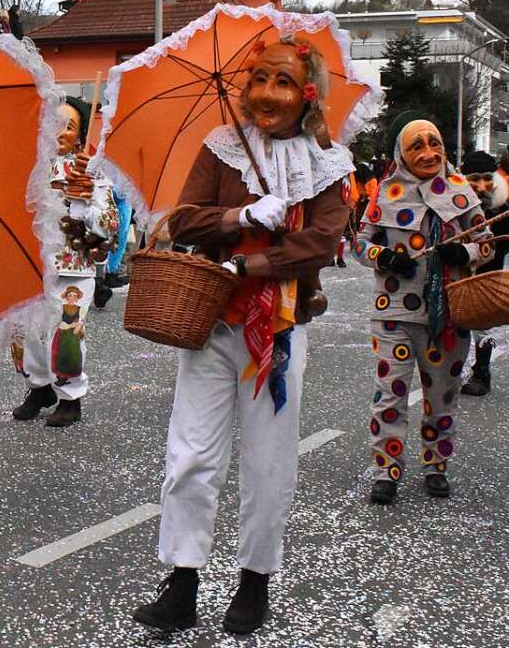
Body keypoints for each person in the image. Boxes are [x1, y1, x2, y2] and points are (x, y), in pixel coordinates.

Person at [132, 38, 351, 636]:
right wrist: (241, 219)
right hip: (209, 322)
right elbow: (185, 217)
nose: (265, 94)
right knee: (191, 456)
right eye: (257, 79)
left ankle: (255, 579)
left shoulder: (329, 164)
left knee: (267, 461)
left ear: (307, 95)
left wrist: (251, 265)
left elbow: (322, 243)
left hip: (278, 331)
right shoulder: (221, 148)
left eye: (281, 82)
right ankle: (182, 580)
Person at [352, 113, 492, 505]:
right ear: (402, 153)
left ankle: (436, 466)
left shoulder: (462, 191)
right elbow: (359, 245)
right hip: (394, 313)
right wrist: (385, 258)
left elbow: (487, 244)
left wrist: (461, 251)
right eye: (418, 146)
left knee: (442, 396)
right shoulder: (385, 193)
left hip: (449, 316)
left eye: (434, 144)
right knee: (390, 394)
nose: (428, 153)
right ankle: (386, 471)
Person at [10, 96, 118, 427]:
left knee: (66, 333)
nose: (61, 132)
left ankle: (71, 397)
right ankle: (39, 387)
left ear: (80, 133)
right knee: (25, 332)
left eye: (69, 126)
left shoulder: (91, 171)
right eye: (55, 124)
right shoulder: (30, 167)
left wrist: (84, 205)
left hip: (73, 266)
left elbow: (110, 223)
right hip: (33, 262)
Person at [458, 150, 509, 396]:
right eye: (473, 178)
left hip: (487, 275)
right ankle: (453, 370)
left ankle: (482, 372)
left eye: (486, 178)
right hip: (457, 274)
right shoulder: (453, 204)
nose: (480, 186)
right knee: (454, 321)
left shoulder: (502, 205)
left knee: (481, 324)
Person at [104, 187, 133, 288]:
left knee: (122, 238)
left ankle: (112, 272)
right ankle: (108, 273)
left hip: (124, 200)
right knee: (114, 239)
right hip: (118, 205)